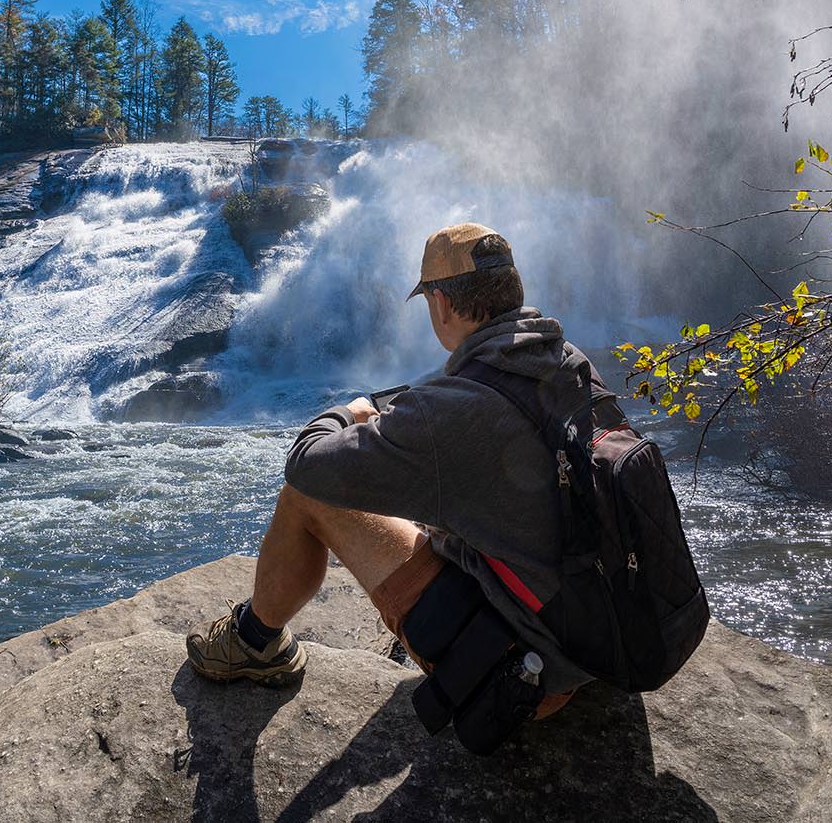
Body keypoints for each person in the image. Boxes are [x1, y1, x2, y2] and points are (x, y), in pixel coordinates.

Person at [185, 221, 627, 726]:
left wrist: (347, 414)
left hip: (526, 678)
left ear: (440, 303)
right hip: (600, 640)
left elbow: (306, 464)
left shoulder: (453, 412)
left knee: (305, 496)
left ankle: (253, 643)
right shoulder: (567, 362)